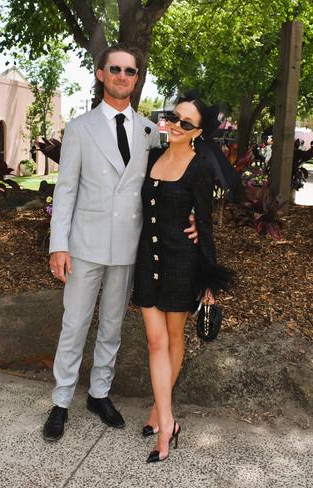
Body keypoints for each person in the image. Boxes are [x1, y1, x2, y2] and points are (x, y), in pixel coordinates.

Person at [43, 44, 198, 442]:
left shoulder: (149, 131)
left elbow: (168, 180)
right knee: (75, 324)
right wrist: (58, 244)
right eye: (115, 69)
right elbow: (66, 190)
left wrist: (192, 217)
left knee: (112, 325)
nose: (122, 76)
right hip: (84, 244)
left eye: (130, 71)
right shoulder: (79, 128)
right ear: (101, 74)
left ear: (136, 78)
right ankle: (61, 401)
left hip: (131, 246)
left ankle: (99, 394)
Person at [132, 93, 233, 463]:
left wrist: (209, 278)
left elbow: (203, 224)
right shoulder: (154, 157)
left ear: (198, 132)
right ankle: (167, 416)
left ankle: (162, 414)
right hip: (147, 260)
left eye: (185, 123)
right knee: (156, 343)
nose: (175, 125)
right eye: (174, 117)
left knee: (173, 339)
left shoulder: (200, 166)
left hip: (181, 263)